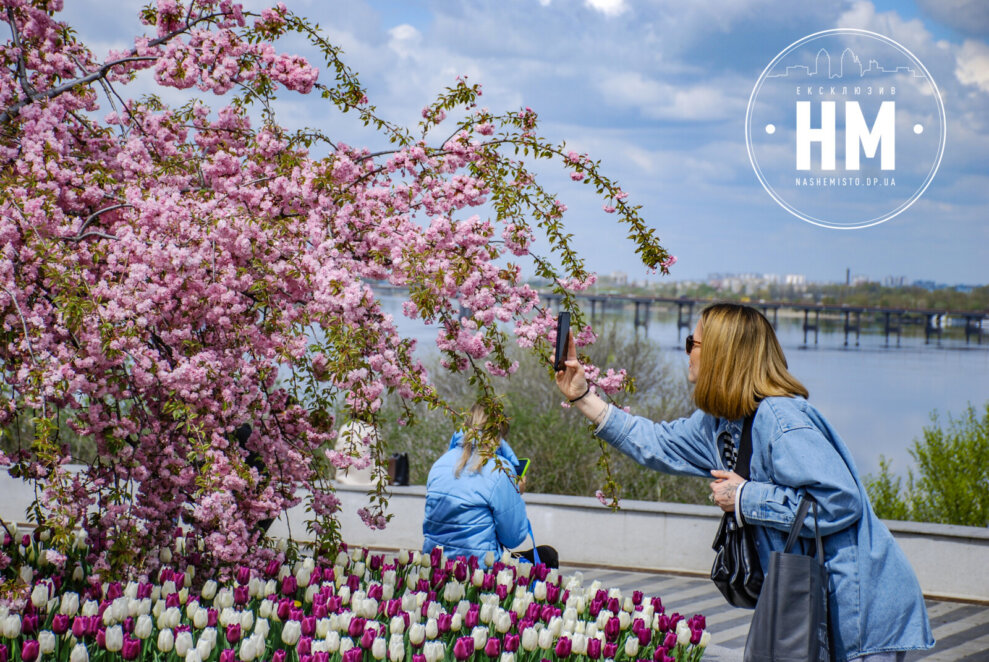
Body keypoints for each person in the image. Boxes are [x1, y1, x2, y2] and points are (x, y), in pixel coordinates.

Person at [555, 303, 933, 662]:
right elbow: (658, 442)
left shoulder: (780, 419)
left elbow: (839, 500)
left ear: (723, 354)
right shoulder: (721, 423)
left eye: (693, 343)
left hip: (859, 612)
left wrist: (744, 497)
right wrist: (583, 396)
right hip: (811, 607)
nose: (687, 352)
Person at [422, 403, 558, 567]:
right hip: (478, 571)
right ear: (500, 435)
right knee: (547, 556)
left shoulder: (439, 464)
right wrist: (516, 491)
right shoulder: (499, 469)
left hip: (435, 566)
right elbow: (513, 537)